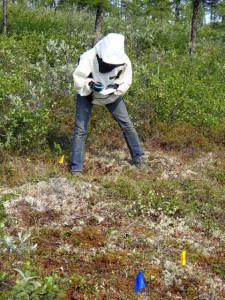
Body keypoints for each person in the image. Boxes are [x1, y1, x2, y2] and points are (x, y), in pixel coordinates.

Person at [70, 33, 146, 174]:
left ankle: (139, 157)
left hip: (111, 96)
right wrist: (90, 84)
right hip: (87, 94)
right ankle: (76, 169)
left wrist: (116, 89)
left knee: (127, 124)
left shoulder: (125, 61)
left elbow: (125, 81)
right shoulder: (88, 57)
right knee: (80, 130)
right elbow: (79, 79)